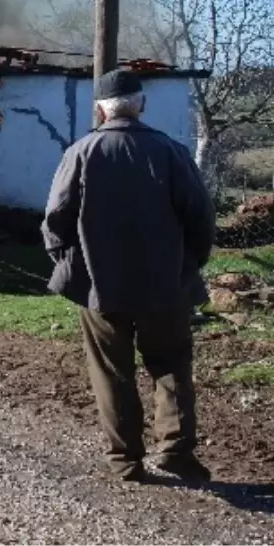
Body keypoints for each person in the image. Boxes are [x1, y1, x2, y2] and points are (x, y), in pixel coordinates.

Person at [42, 68, 216, 484]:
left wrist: (69, 264)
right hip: (166, 285)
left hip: (100, 287)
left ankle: (126, 460)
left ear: (100, 109)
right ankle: (175, 451)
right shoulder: (172, 152)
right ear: (141, 104)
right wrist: (189, 263)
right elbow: (201, 218)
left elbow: (55, 220)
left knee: (112, 371)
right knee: (172, 364)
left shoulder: (81, 153)